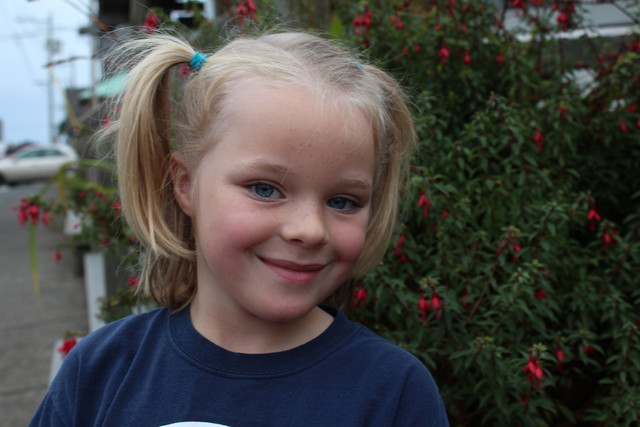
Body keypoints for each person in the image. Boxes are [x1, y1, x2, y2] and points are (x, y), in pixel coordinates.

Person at [30, 30, 449, 426]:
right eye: (265, 189)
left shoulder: (394, 393)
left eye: (343, 201)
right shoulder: (98, 372)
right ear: (186, 184)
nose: (310, 230)